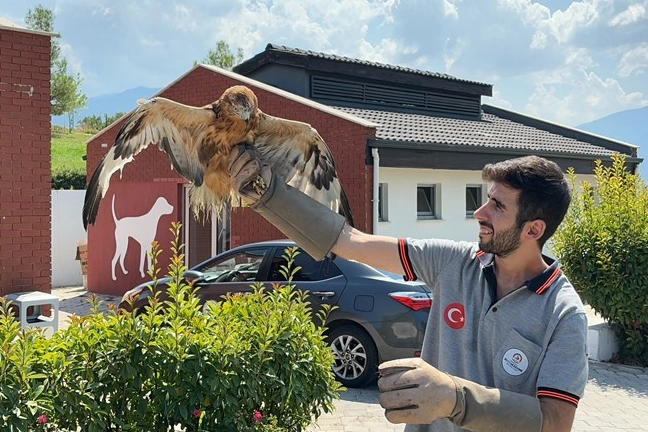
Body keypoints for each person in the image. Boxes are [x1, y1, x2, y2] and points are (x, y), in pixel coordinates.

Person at [228, 146, 588, 432]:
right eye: (485, 199)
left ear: (533, 230)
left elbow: (555, 423)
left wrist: (456, 398)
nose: (479, 212)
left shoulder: (563, 314)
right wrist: (269, 195)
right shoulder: (455, 263)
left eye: (497, 206)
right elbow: (349, 241)